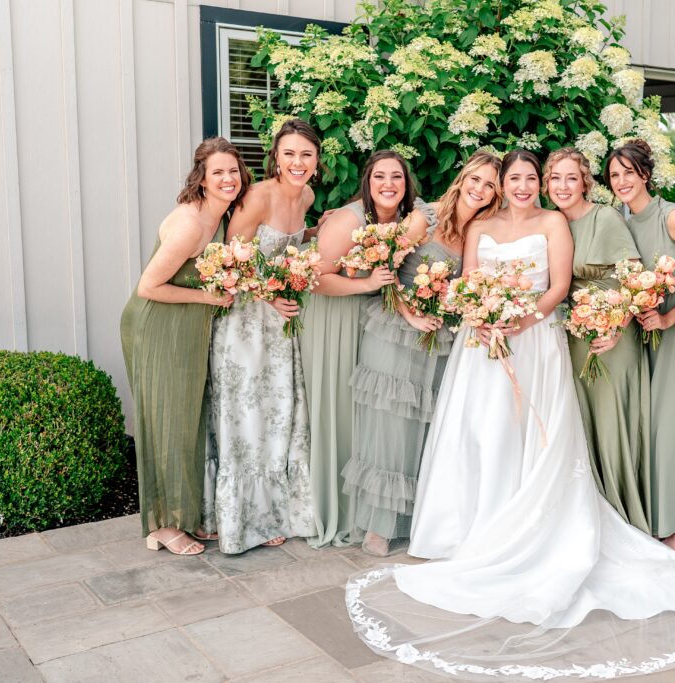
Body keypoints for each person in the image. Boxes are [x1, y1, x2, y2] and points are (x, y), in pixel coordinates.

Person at [345, 150, 675, 679]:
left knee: (529, 436)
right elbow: (469, 282)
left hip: (536, 340)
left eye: (528, 178)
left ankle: (530, 526)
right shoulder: (481, 226)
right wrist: (485, 317)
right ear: (500, 185)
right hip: (482, 343)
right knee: (482, 432)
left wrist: (520, 319)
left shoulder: (554, 221)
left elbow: (560, 286)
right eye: (513, 179)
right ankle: (467, 529)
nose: (521, 186)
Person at [342, 151, 503, 557]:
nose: (479, 190)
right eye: (476, 179)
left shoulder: (483, 232)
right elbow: (387, 268)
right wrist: (410, 313)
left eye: (490, 186)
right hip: (397, 327)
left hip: (442, 334)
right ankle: (378, 525)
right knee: (390, 426)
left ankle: (417, 519)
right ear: (462, 177)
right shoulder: (424, 216)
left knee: (427, 426)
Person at [120, 137, 247, 555]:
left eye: (233, 171)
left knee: (187, 422)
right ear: (202, 178)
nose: (228, 179)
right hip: (158, 328)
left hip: (186, 329)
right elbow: (149, 287)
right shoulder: (191, 224)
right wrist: (209, 297)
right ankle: (163, 526)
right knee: (166, 424)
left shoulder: (220, 216)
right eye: (218, 173)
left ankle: (184, 516)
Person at [201, 120, 318, 554]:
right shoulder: (258, 196)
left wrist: (311, 235)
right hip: (246, 321)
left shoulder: (306, 196)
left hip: (281, 326)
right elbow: (233, 261)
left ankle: (272, 510)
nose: (297, 162)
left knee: (277, 411)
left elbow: (287, 246)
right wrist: (271, 299)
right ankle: (238, 519)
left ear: (316, 159)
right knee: (244, 415)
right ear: (275, 156)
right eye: (289, 153)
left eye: (306, 154)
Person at [607, 140, 675, 552]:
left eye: (628, 173)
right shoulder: (620, 222)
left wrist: (670, 318)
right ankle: (663, 513)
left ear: (645, 175)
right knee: (657, 429)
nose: (621, 181)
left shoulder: (673, 216)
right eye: (614, 175)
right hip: (646, 337)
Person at [298, 150, 413, 548]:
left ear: (406, 183)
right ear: (367, 181)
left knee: (359, 413)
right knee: (336, 409)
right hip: (333, 315)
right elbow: (314, 277)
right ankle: (335, 508)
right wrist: (366, 284)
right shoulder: (351, 219)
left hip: (368, 321)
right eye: (380, 176)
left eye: (396, 177)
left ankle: (359, 507)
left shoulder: (404, 221)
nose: (388, 184)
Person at [544, 147, 651, 534]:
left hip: (612, 335)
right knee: (580, 423)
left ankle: (619, 514)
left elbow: (634, 276)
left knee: (609, 421)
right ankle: (585, 515)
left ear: (586, 182)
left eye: (572, 178)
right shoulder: (551, 223)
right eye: (555, 178)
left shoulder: (603, 217)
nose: (563, 186)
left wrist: (616, 326)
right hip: (573, 334)